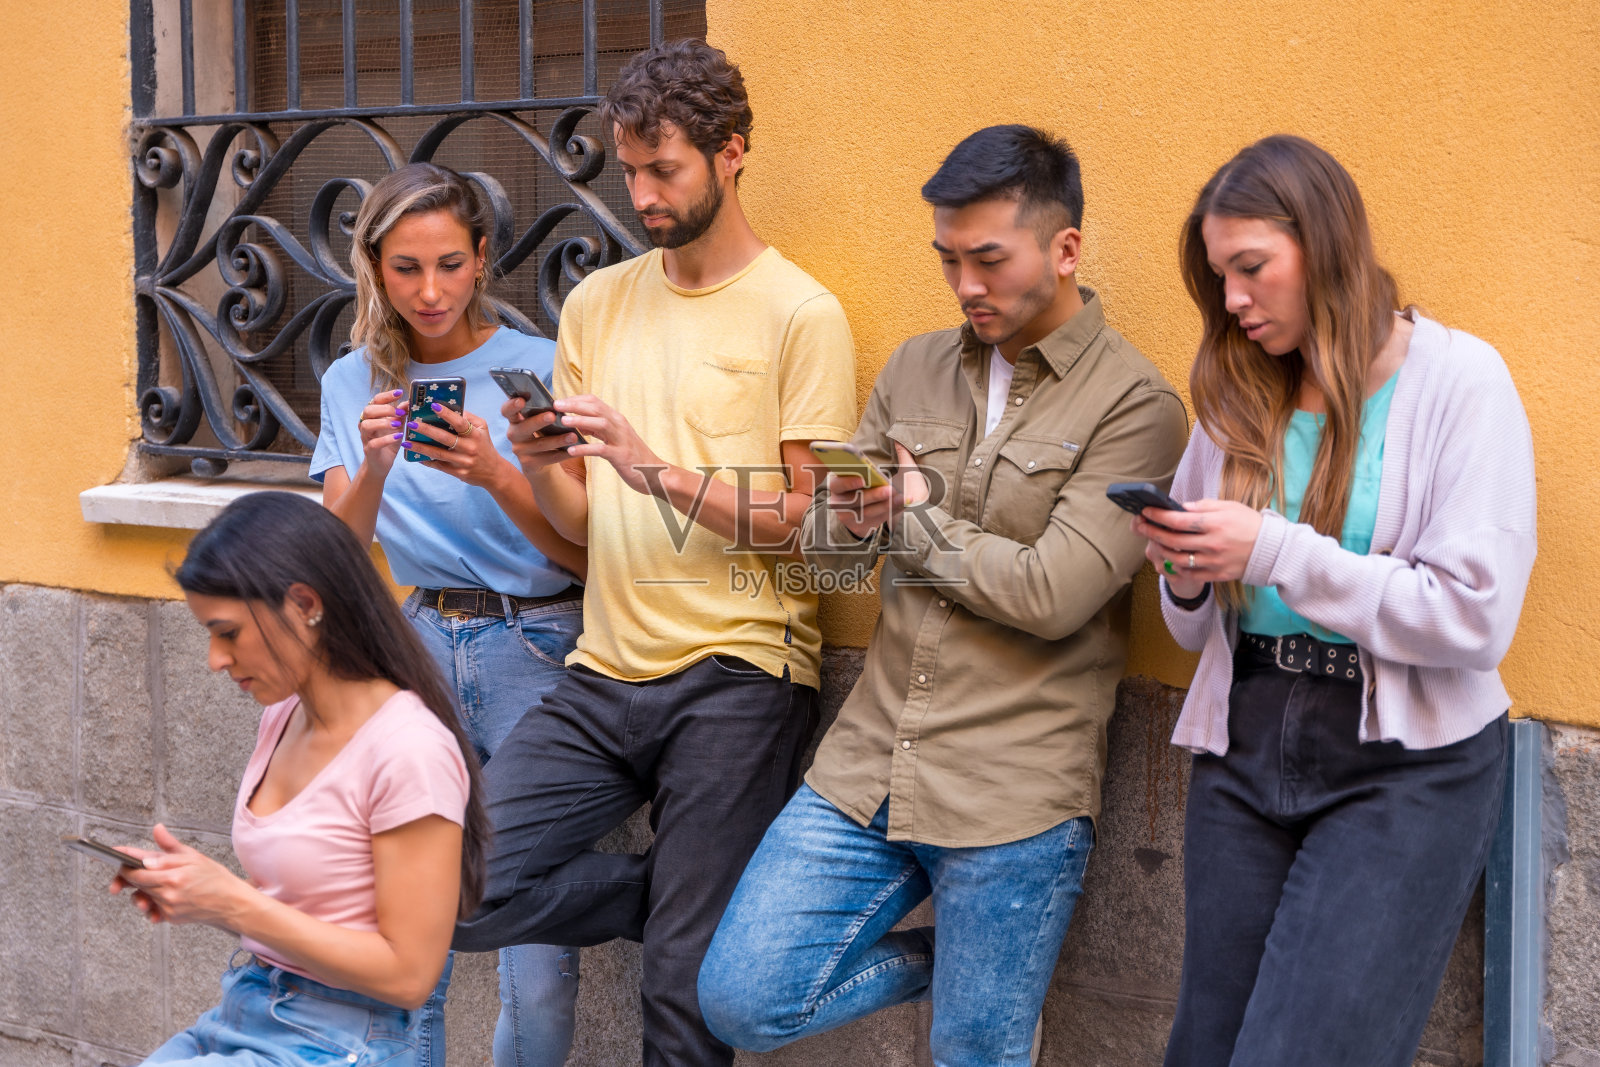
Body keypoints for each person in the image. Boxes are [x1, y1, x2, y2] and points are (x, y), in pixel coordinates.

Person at [697, 125, 1189, 1065]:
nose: (967, 285)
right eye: (950, 259)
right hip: (869, 763)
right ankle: (958, 964)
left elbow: (1050, 591)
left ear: (1065, 249)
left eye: (989, 259)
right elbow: (842, 553)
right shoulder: (916, 365)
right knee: (742, 998)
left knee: (975, 1053)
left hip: (1015, 792)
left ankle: (989, 983)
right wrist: (838, 518)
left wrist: (911, 515)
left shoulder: (1138, 408)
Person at [450, 39, 858, 1066]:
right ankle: (668, 896)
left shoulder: (802, 313)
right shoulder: (596, 303)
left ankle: (689, 916)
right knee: (443, 886)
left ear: (732, 153)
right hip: (601, 670)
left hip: (739, 674)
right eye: (628, 169)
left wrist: (657, 469)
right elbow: (584, 522)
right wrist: (540, 463)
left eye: (662, 168)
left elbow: (822, 534)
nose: (641, 193)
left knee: (682, 1003)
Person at [1131, 134, 1536, 1066]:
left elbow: (1475, 615)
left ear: (1325, 244)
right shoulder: (1236, 391)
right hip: (1246, 732)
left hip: (1406, 758)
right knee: (1206, 1047)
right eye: (1218, 274)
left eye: (1251, 268)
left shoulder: (1461, 382)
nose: (1231, 299)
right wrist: (1187, 567)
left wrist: (1272, 547)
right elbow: (1194, 629)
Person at [311, 161, 586, 1067]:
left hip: (537, 643)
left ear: (481, 261)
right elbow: (336, 556)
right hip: (416, 643)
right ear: (374, 268)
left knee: (537, 956)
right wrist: (380, 465)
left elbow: (584, 553)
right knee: (410, 943)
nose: (429, 292)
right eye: (404, 268)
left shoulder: (541, 369)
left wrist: (497, 473)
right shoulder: (353, 382)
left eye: (449, 265)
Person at [116, 491, 483, 1065]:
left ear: (304, 605)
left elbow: (411, 975)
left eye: (228, 632)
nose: (214, 658)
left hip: (344, 1038)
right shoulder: (283, 715)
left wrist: (232, 903)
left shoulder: (409, 750)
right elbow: (304, 903)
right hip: (249, 1006)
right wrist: (194, 893)